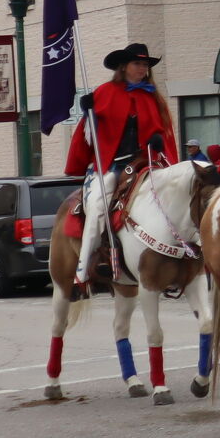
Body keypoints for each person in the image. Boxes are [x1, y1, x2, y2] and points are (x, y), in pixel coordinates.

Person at [64, 43, 174, 288]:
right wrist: (88, 115)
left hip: (144, 162)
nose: (142, 69)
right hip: (110, 165)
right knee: (97, 208)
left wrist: (157, 140)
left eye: (145, 65)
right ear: (123, 67)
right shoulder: (105, 92)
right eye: (138, 64)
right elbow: (88, 135)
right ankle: (81, 274)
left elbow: (163, 132)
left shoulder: (152, 96)